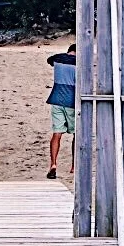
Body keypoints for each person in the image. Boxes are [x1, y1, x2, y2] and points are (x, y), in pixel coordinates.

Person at [46, 43, 76, 180]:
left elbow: (49, 60)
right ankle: (74, 166)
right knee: (77, 135)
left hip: (56, 100)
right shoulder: (78, 64)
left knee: (56, 134)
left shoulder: (58, 60)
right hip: (72, 102)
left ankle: (53, 164)